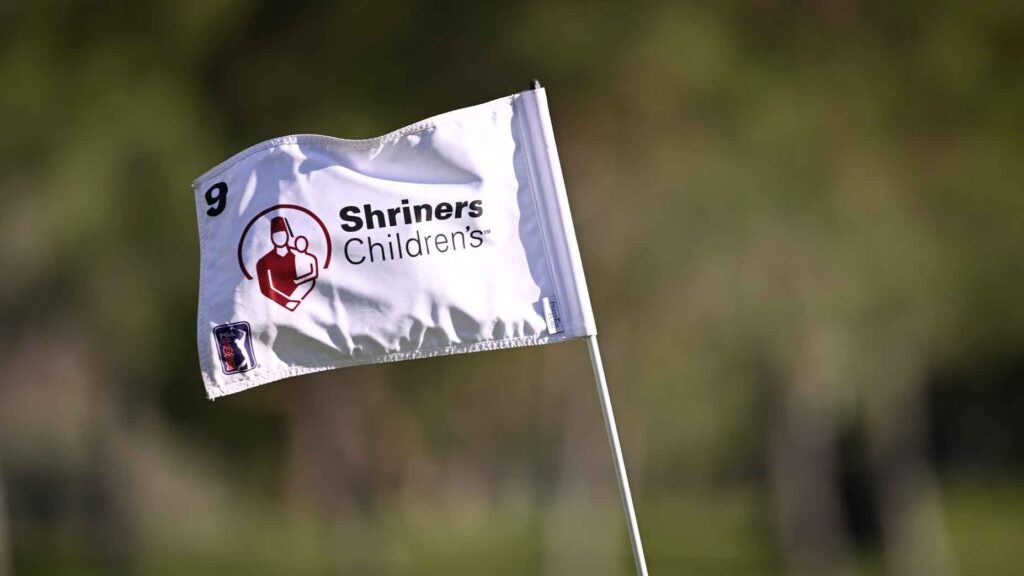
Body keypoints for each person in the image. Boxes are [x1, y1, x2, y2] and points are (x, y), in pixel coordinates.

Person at [256, 216, 301, 310]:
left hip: (302, 301)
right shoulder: (263, 262)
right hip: (271, 307)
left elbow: (303, 279)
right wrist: (286, 302)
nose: (280, 238)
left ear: (287, 235)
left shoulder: (296, 255)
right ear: (272, 237)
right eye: (276, 235)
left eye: (283, 234)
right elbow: (265, 288)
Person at [290, 235, 319, 302]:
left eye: (302, 244)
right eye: (299, 244)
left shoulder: (311, 258)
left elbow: (314, 273)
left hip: (307, 283)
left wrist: (299, 281)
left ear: (306, 245)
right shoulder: (293, 256)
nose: (300, 247)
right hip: (293, 283)